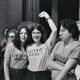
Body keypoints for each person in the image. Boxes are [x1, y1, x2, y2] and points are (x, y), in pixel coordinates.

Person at [26, 11, 57, 80]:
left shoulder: (47, 45)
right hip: (29, 74)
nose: (36, 35)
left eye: (38, 33)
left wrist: (47, 16)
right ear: (31, 34)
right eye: (33, 33)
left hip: (43, 75)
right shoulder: (27, 46)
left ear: (42, 34)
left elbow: (54, 30)